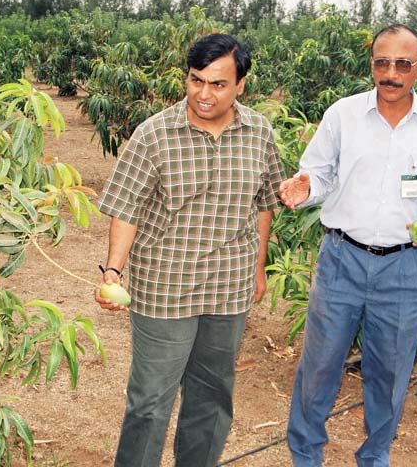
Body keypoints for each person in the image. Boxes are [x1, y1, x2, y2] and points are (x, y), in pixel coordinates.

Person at [280, 24, 417, 467]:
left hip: (404, 265)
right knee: (320, 365)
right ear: (372, 65)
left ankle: (375, 455)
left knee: (389, 372)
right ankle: (305, 454)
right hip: (342, 258)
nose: (391, 73)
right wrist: (307, 187)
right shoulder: (343, 115)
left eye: (403, 64)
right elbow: (319, 173)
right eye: (382, 62)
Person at [94, 33, 286, 467]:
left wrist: (258, 268)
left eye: (218, 84)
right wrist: (113, 271)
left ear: (240, 86)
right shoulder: (154, 134)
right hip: (166, 287)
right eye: (196, 80)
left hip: (229, 286)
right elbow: (126, 209)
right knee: (149, 401)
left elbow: (264, 204)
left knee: (212, 394)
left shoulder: (259, 132)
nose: (204, 93)